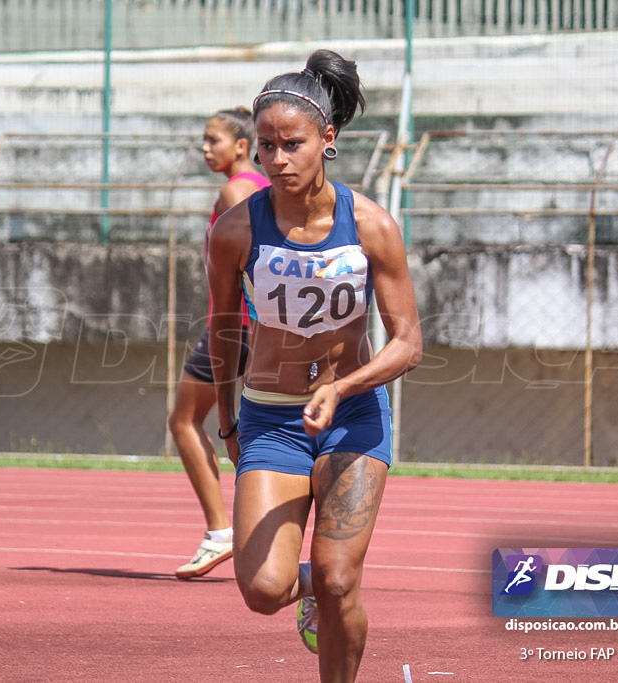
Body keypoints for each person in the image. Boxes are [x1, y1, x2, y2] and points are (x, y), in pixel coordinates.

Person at [206, 50, 422, 681]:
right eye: (265, 147)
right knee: (265, 590)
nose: (277, 160)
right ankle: (315, 586)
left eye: (291, 144)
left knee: (338, 577)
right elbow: (223, 330)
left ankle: (331, 589)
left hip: (352, 412)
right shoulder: (235, 231)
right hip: (270, 419)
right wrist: (227, 421)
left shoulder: (372, 226)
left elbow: (407, 343)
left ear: (327, 140)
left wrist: (345, 388)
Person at [170, 107, 270, 580]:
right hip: (253, 326)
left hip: (235, 326)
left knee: (186, 419)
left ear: (241, 146)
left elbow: (246, 262)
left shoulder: (237, 189)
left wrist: (238, 325)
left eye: (213, 140)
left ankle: (221, 531)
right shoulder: (263, 191)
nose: (205, 148)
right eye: (204, 141)